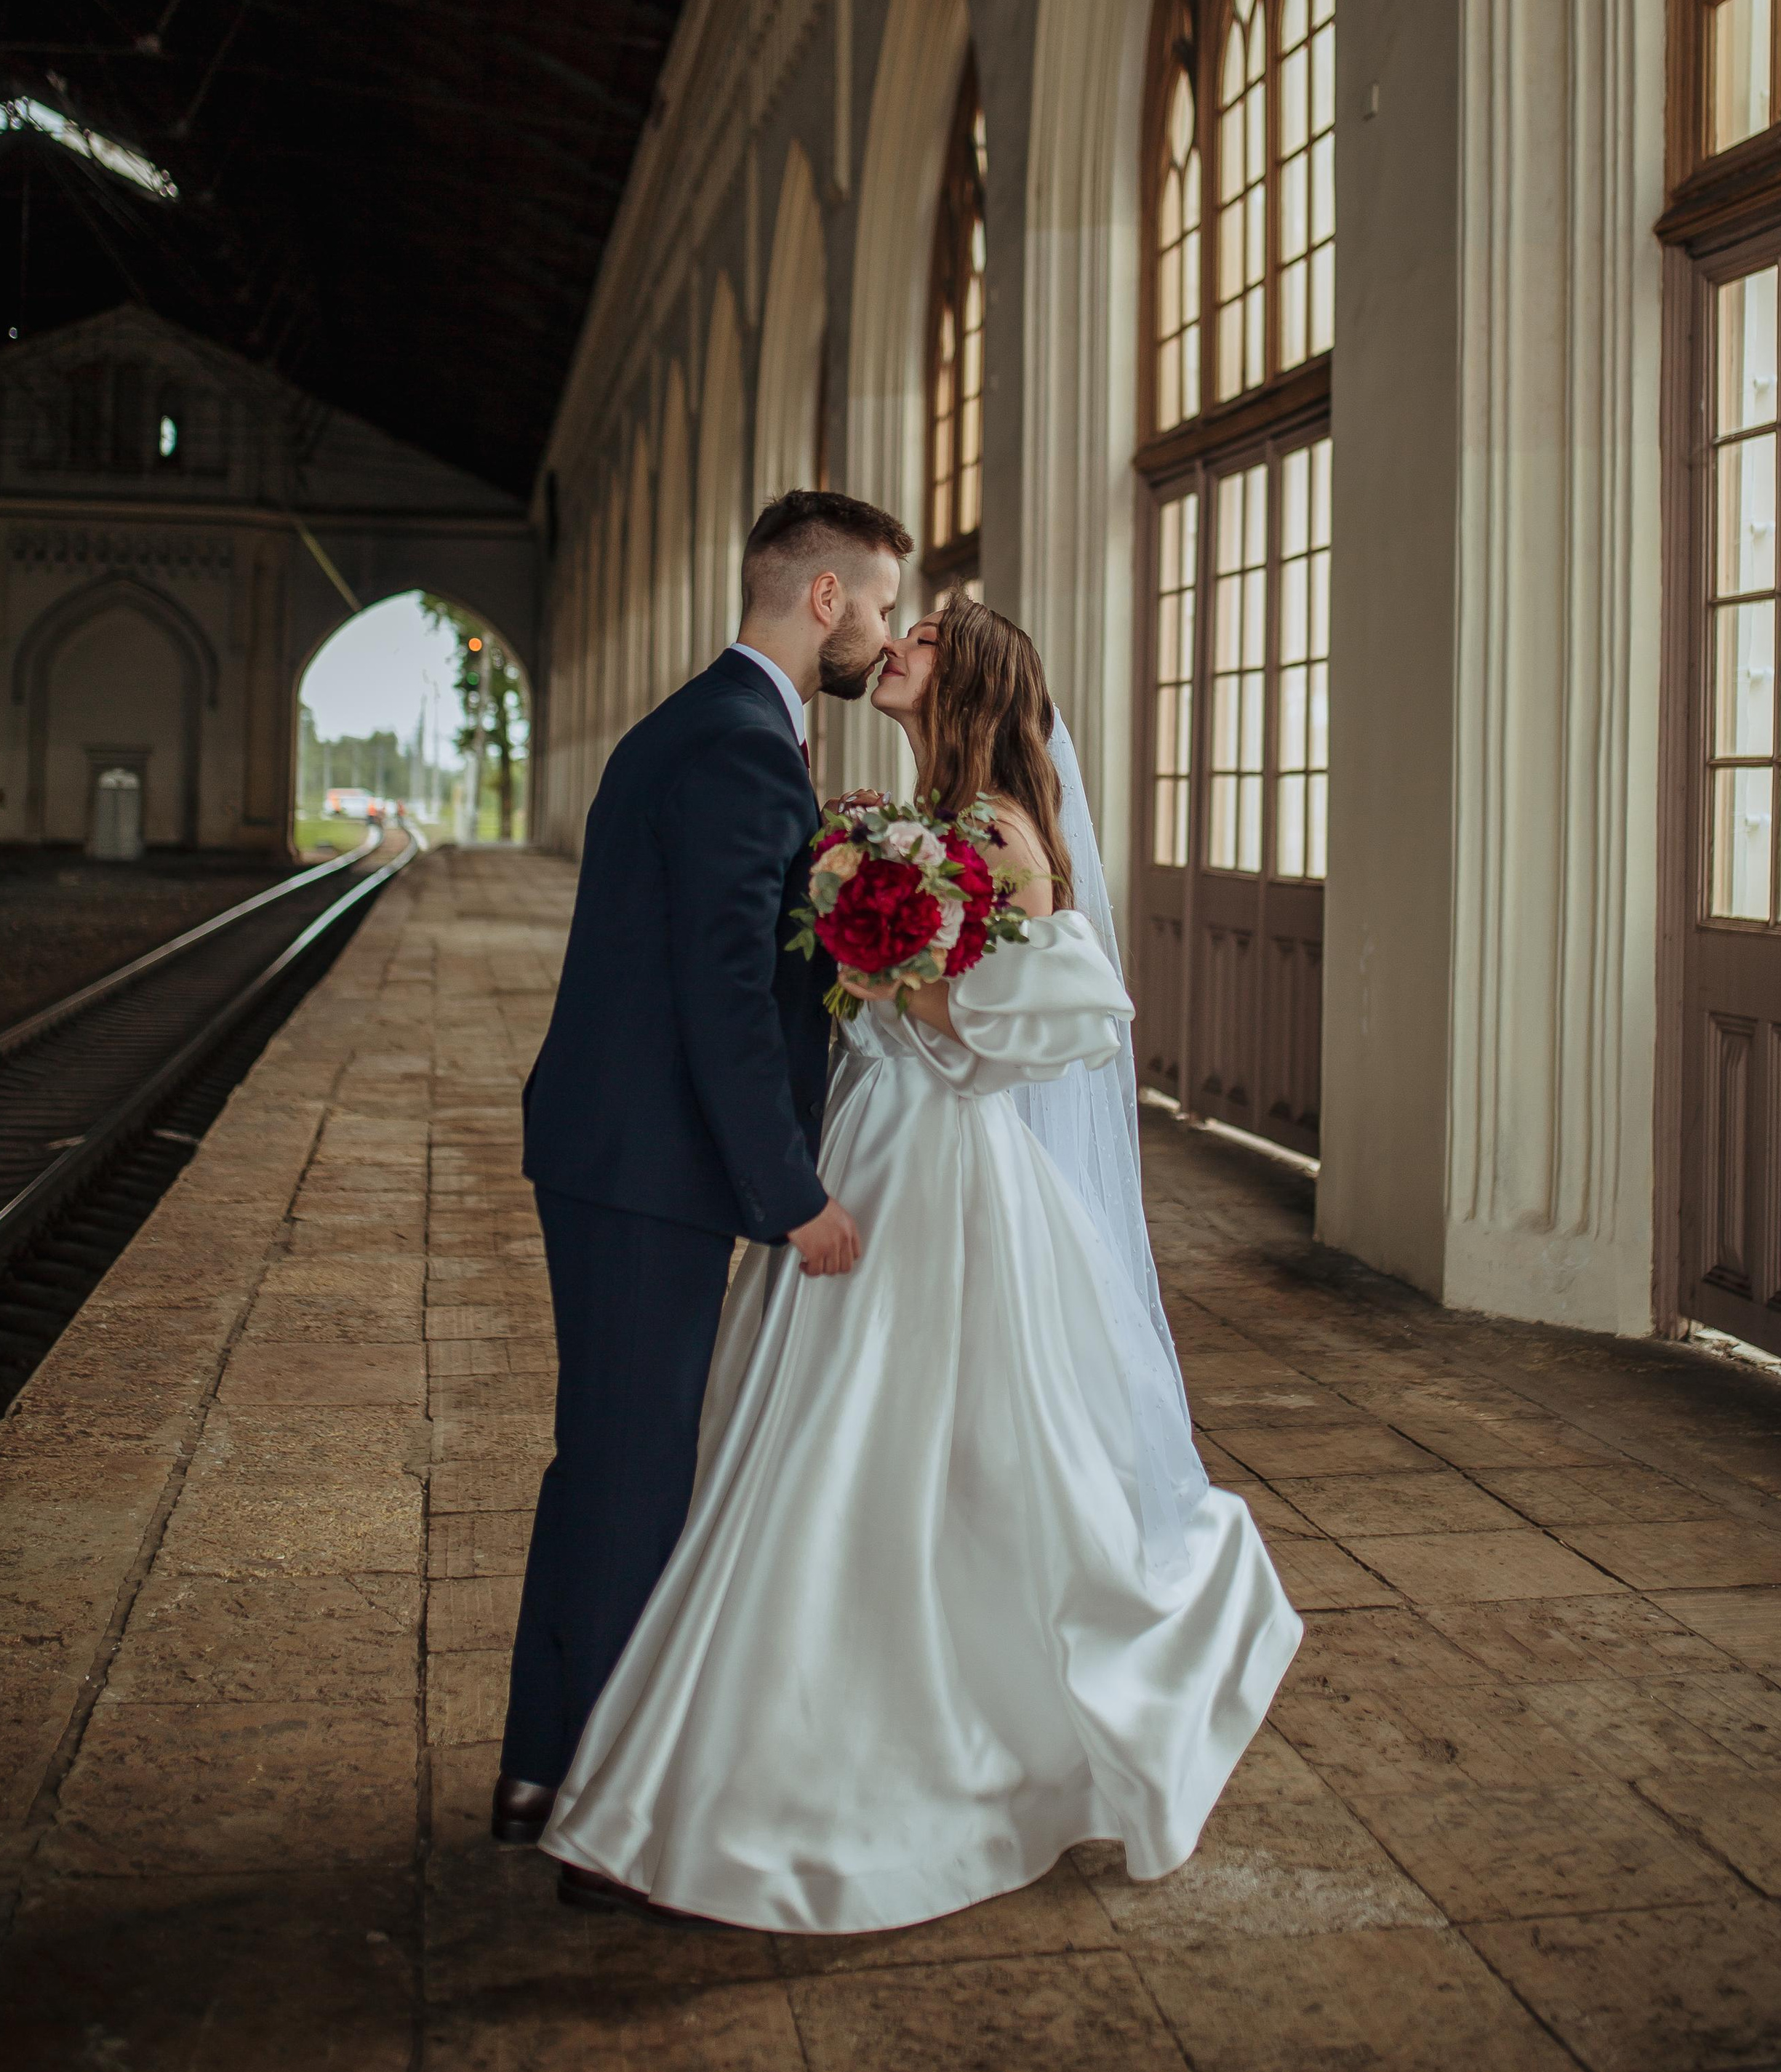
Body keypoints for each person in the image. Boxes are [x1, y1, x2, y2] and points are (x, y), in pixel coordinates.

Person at [538, 593, 1302, 1928]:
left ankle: (874, 1771)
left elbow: (1072, 1018)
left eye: (932, 636)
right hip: (863, 1146)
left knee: (902, 1458)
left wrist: (898, 977)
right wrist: (865, 942)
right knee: (825, 1453)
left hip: (944, 1171)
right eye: (906, 621)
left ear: (978, 678)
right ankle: (767, 1773)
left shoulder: (1002, 830)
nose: (901, 642)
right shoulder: (891, 820)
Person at [490, 489, 913, 1846]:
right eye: (886, 604)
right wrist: (792, 1193)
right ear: (828, 599)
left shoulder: (713, 726)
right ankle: (602, 1802)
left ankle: (545, 1769)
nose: (889, 632)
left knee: (604, 1462)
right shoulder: (737, 745)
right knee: (630, 1474)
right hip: (648, 1164)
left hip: (622, 1153)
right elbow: (724, 994)